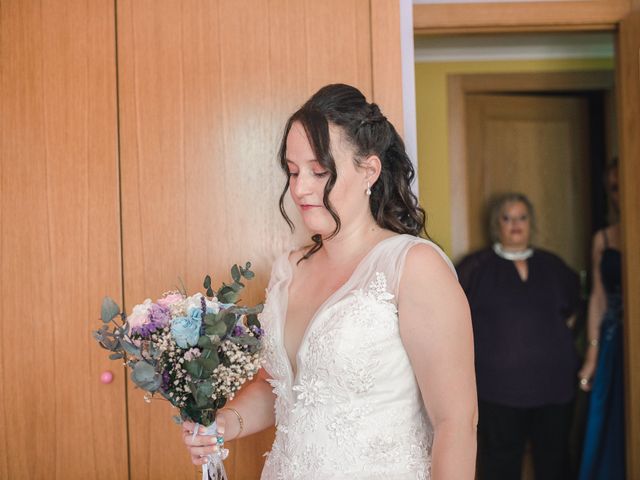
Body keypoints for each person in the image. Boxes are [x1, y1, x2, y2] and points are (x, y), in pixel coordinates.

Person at [181, 84, 478, 479]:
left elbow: (455, 421)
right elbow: (279, 389)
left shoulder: (413, 266)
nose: (300, 188)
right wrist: (221, 426)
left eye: (319, 172)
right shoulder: (290, 269)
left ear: (369, 170)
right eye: (293, 171)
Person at [457, 193, 581, 480]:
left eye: (522, 217)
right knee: (500, 466)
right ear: (495, 224)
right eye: (507, 218)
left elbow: (575, 310)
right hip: (498, 392)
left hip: (554, 389)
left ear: (531, 224)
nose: (515, 224)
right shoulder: (475, 267)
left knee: (556, 463)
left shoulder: (553, 266)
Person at [577, 159, 625, 479]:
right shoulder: (604, 238)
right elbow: (598, 297)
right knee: (612, 419)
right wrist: (592, 356)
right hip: (615, 338)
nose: (621, 194)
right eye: (614, 188)